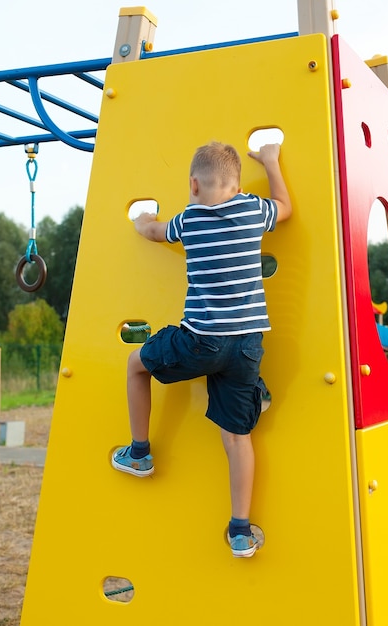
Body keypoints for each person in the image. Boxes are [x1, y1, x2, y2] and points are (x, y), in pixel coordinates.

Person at [112, 141, 292, 557]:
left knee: (135, 365)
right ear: (236, 185)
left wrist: (143, 219)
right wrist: (270, 161)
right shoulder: (252, 211)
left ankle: (140, 453)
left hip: (201, 340)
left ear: (193, 184)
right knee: (237, 438)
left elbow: (155, 232)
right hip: (247, 343)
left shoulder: (190, 220)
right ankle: (241, 530)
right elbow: (284, 206)